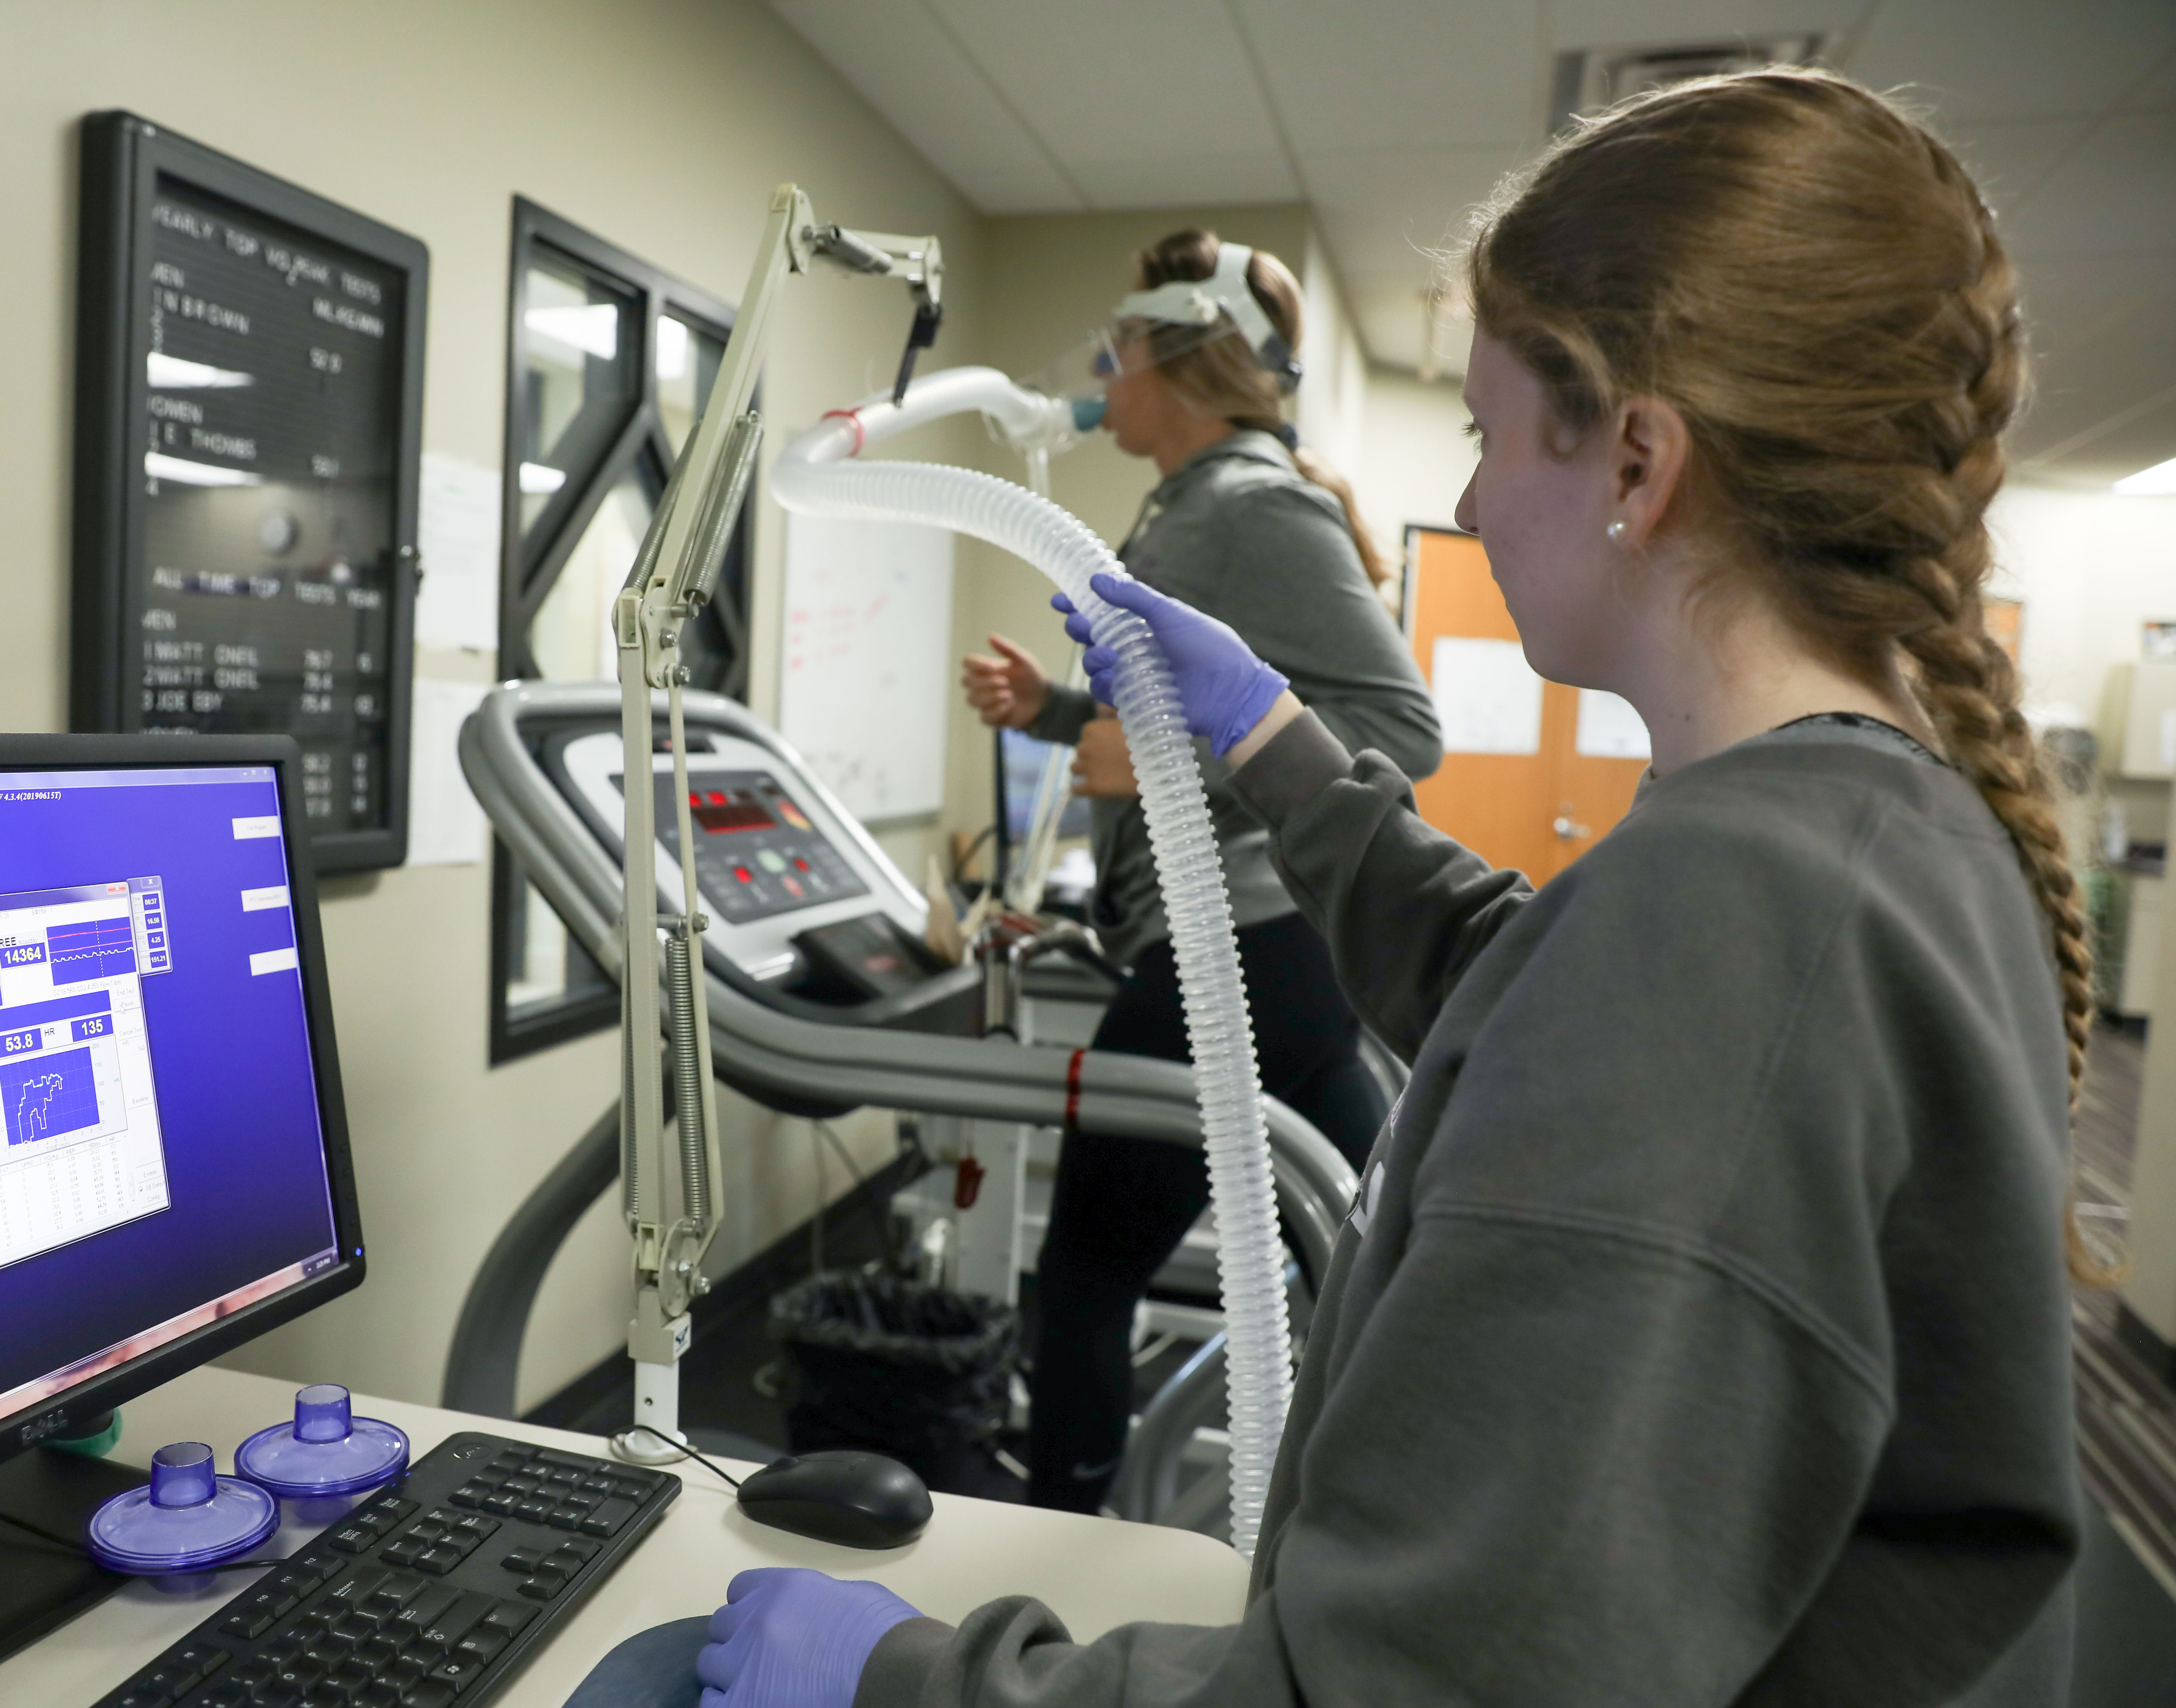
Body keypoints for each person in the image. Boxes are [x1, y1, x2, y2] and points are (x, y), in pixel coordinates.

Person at [697, 68, 2089, 1707]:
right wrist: (1273, 741)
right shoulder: (1875, 847)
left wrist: (909, 1683)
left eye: (1493, 437)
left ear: (1638, 459)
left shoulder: (1743, 911)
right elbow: (1540, 988)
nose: (1476, 501)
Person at [962, 228, 1441, 1515]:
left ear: (1175, 352)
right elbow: (1183, 713)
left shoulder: (1251, 503)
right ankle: (1413, 1498)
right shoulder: (1192, 501)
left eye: (1118, 344)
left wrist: (1158, 755)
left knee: (1082, 1275)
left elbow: (1404, 737)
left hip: (1237, 942)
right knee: (1375, 1249)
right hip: (1276, 947)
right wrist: (1062, 714)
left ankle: (1057, 1539)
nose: (1099, 369)